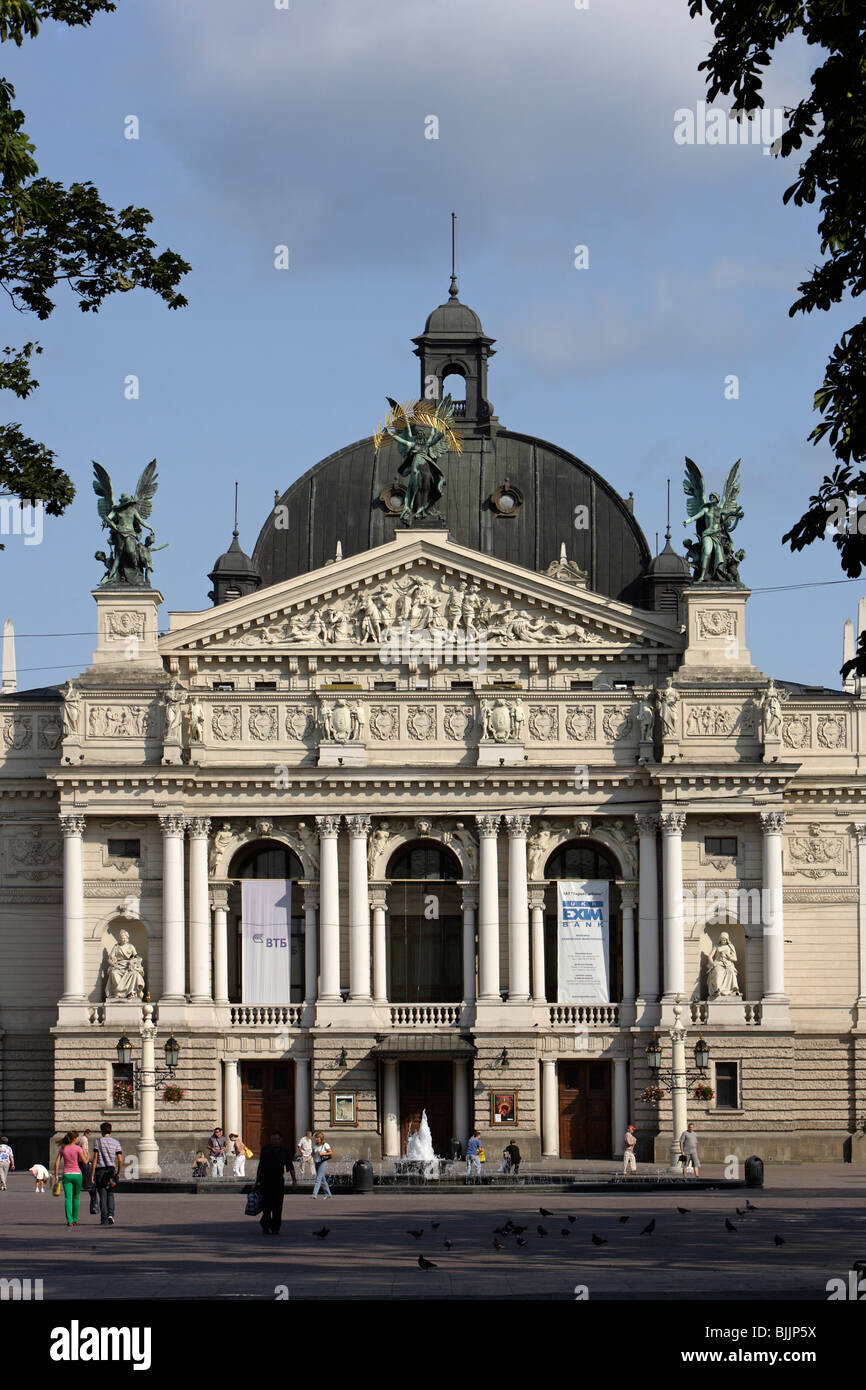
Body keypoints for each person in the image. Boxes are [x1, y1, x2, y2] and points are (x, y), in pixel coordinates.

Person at [255, 1130, 296, 1234]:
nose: (275, 1141)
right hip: (265, 1181)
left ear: (281, 1140)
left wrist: (294, 1180)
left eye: (277, 1139)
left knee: (278, 1206)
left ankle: (275, 1227)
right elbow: (260, 1166)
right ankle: (265, 1225)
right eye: (273, 1139)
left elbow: (290, 1166)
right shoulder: (265, 1150)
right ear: (270, 1140)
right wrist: (256, 1182)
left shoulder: (285, 1152)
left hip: (278, 1182)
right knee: (266, 1206)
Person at [91, 1121, 123, 1226]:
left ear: (101, 1131)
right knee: (110, 1193)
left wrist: (92, 1175)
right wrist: (118, 1172)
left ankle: (104, 1219)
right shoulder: (116, 1142)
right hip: (111, 1171)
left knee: (102, 1195)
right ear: (110, 1130)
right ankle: (111, 1214)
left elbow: (95, 1159)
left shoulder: (98, 1142)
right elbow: (120, 1160)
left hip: (100, 1171)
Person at [54, 1130, 86, 1226]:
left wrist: (56, 1175)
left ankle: (69, 1220)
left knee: (68, 1198)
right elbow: (84, 1161)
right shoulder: (78, 1148)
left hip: (66, 1175)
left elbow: (57, 1163)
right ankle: (75, 1219)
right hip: (77, 1175)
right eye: (77, 1138)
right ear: (74, 1139)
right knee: (76, 1197)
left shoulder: (63, 1148)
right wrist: (88, 1156)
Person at [311, 1131, 332, 1199]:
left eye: (318, 1137)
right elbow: (312, 1155)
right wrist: (305, 1159)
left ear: (321, 1138)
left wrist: (323, 1154)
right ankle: (328, 1194)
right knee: (323, 1180)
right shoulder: (315, 1146)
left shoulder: (325, 1145)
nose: (316, 1139)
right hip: (317, 1163)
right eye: (316, 1137)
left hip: (323, 1163)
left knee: (318, 1179)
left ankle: (314, 1195)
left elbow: (331, 1152)